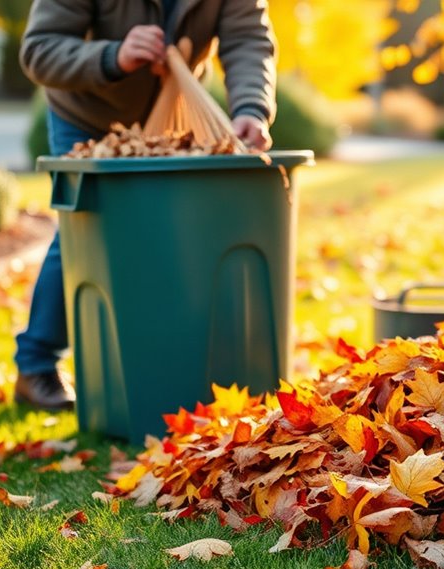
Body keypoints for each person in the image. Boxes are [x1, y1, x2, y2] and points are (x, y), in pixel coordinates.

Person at [14, 0, 277, 410]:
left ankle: (154, 358)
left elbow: (248, 39)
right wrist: (112, 56)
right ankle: (35, 366)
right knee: (85, 232)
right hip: (86, 111)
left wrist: (251, 108)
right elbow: (39, 50)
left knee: (169, 234)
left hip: (173, 112)